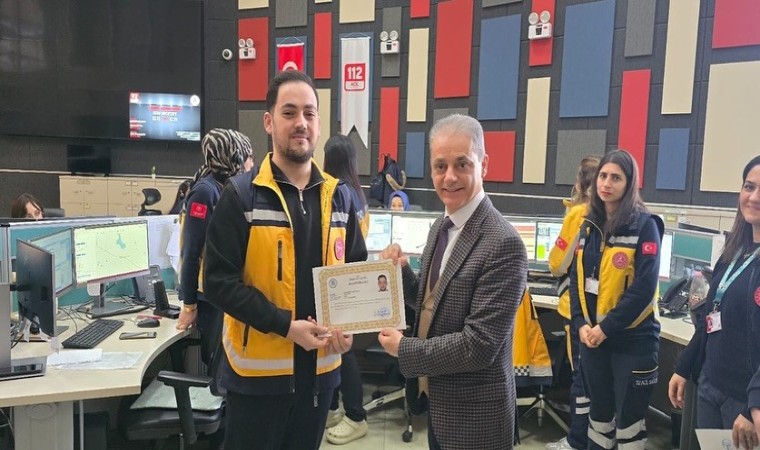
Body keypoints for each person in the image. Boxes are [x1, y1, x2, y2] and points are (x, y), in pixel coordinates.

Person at [203, 70, 367, 450]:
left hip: (321, 376)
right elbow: (218, 283)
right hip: (257, 380)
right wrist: (286, 327)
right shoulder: (241, 196)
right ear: (269, 121)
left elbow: (356, 271)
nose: (301, 123)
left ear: (319, 123)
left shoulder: (339, 198)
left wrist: (350, 327)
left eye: (309, 113)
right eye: (289, 112)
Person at [378, 114, 528, 449]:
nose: (449, 177)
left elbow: (478, 346)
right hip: (439, 404)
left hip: (476, 419)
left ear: (483, 164)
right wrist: (401, 273)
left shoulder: (503, 243)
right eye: (440, 166)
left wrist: (404, 349)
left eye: (462, 164)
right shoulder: (440, 227)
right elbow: (434, 303)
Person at [569, 149, 663, 450]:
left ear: (629, 183)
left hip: (632, 342)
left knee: (628, 425)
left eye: (616, 178)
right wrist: (581, 323)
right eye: (603, 176)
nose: (606, 183)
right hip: (594, 341)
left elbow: (644, 289)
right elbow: (576, 278)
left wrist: (605, 328)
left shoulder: (645, 225)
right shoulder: (588, 224)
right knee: (598, 418)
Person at [669, 155, 760, 450]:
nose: (754, 197)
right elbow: (710, 316)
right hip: (710, 386)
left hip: (745, 401)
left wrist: (752, 406)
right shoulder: (734, 251)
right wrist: (684, 366)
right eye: (749, 187)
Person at [175, 128, 255, 361]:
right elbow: (191, 250)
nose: (252, 163)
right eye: (249, 157)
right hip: (208, 296)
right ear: (235, 157)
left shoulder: (229, 188)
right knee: (216, 362)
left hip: (225, 290)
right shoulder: (205, 192)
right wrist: (189, 305)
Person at [545, 155, 600, 450]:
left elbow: (557, 264)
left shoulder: (578, 213)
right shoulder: (611, 213)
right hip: (602, 311)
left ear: (579, 182)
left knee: (580, 377)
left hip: (576, 308)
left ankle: (576, 440)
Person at [321, 133, 371, 445]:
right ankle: (333, 407)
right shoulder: (357, 194)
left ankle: (355, 415)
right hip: (349, 281)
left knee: (342, 350)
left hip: (339, 285)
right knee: (336, 348)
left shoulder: (338, 194)